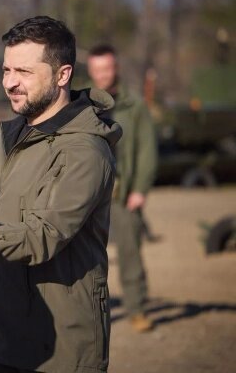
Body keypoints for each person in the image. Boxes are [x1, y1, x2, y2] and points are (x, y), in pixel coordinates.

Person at [0, 16, 122, 372]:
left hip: (61, 349)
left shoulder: (86, 151)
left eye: (24, 72)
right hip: (4, 340)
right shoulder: (5, 137)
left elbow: (41, 236)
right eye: (6, 70)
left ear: (63, 75)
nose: (10, 83)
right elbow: (4, 225)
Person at [87, 44, 158, 332]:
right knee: (85, 257)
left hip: (123, 193)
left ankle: (137, 308)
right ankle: (89, 312)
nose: (102, 75)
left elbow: (147, 151)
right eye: (97, 70)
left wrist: (139, 189)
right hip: (89, 194)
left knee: (130, 251)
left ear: (115, 68)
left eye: (107, 68)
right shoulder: (81, 103)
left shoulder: (134, 106)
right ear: (91, 71)